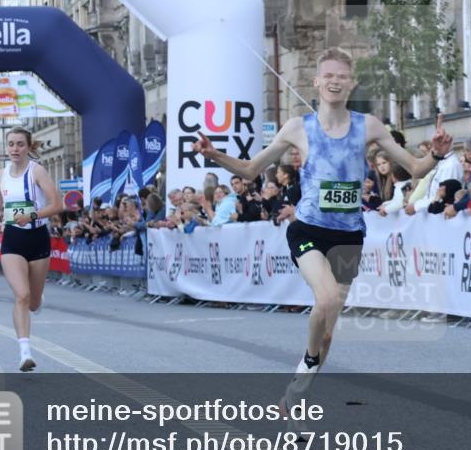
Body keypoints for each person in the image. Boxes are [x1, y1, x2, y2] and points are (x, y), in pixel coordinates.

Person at [192, 47, 451, 386]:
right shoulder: (298, 127)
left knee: (327, 332)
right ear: (316, 82)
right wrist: (214, 155)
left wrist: (435, 153)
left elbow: (416, 168)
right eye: (328, 75)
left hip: (349, 235)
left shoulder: (368, 125)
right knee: (325, 298)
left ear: (351, 84)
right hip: (309, 227)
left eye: (341, 76)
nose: (335, 81)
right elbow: (252, 168)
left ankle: (297, 395)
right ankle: (310, 359)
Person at [0, 127, 62, 371]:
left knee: (34, 302)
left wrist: (32, 215)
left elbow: (57, 204)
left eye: (20, 144)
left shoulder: (37, 171)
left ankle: (38, 300)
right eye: (11, 144)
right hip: (12, 239)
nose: (15, 149)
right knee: (22, 296)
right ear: (7, 148)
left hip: (37, 237)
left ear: (28, 147)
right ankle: (24, 352)